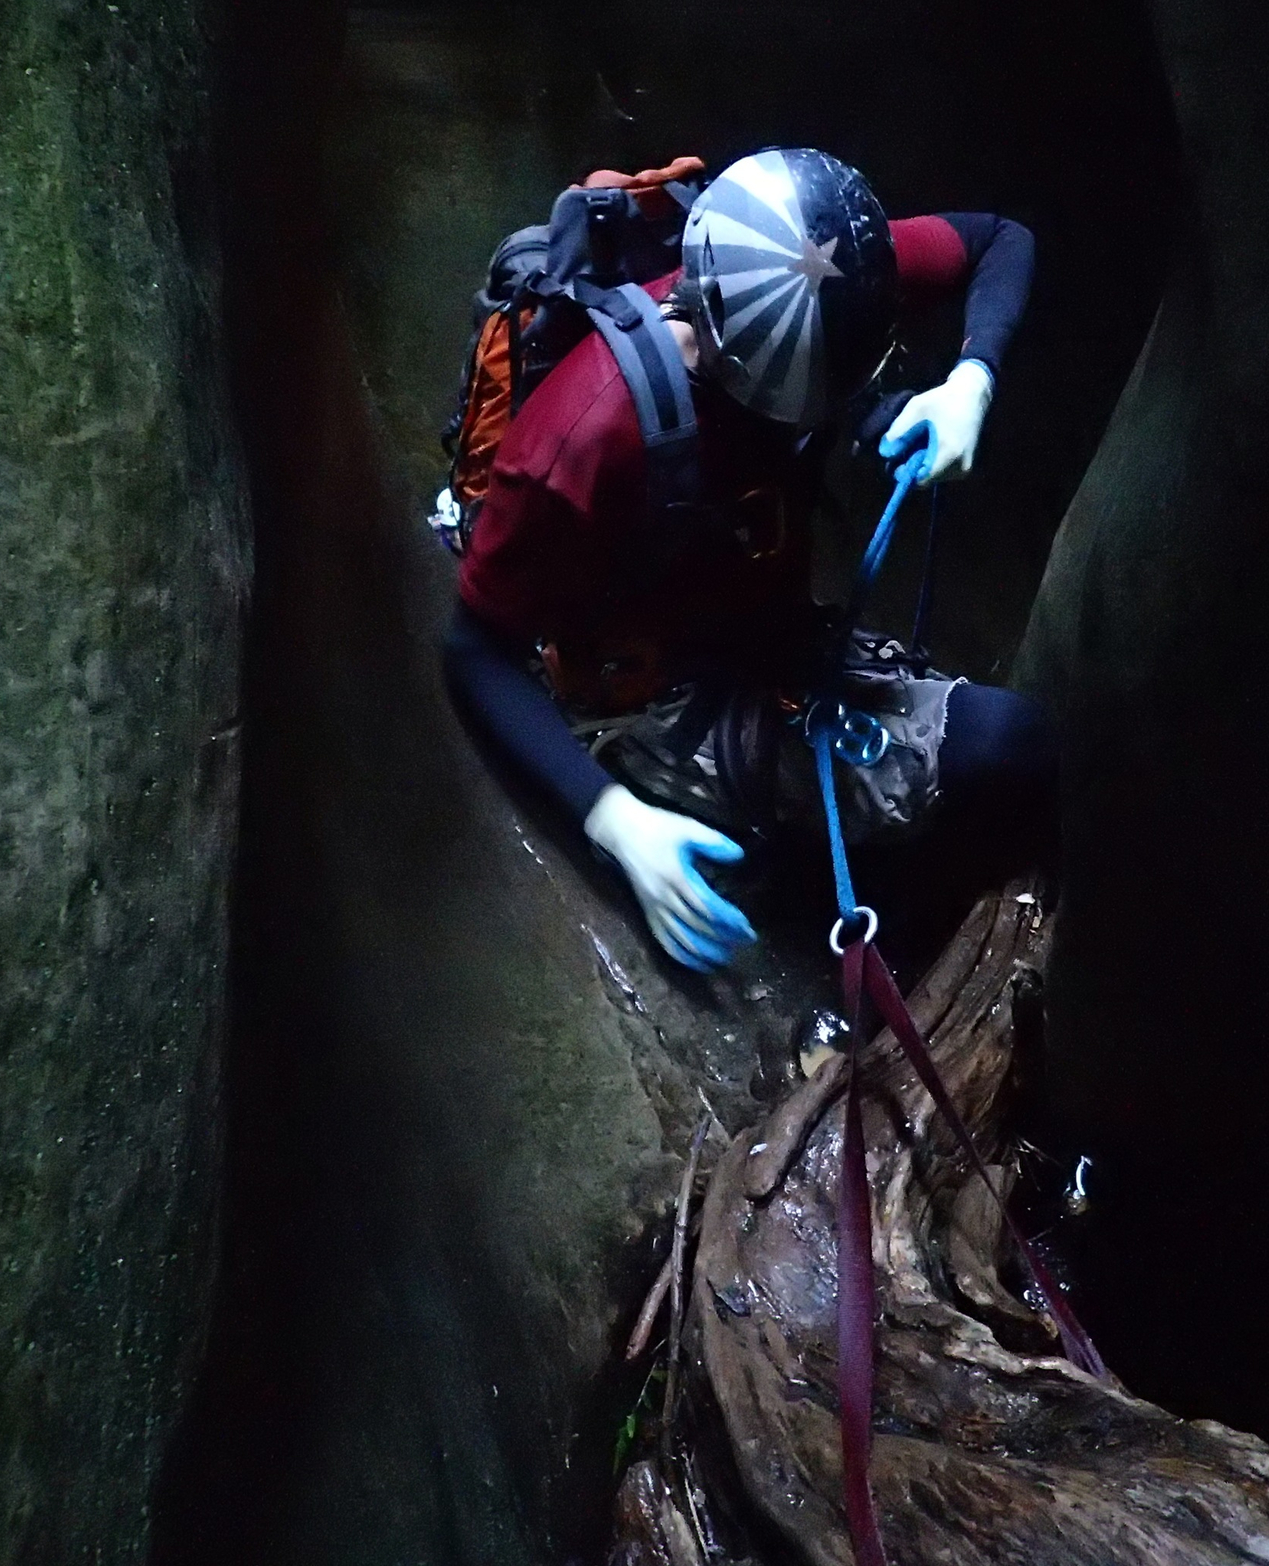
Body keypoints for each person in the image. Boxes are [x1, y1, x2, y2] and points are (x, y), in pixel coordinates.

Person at [443, 148, 1056, 972]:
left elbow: (998, 240)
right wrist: (612, 818)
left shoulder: (818, 261)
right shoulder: (583, 438)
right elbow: (476, 647)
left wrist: (970, 380)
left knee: (1006, 748)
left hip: (748, 609)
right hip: (651, 681)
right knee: (1001, 751)